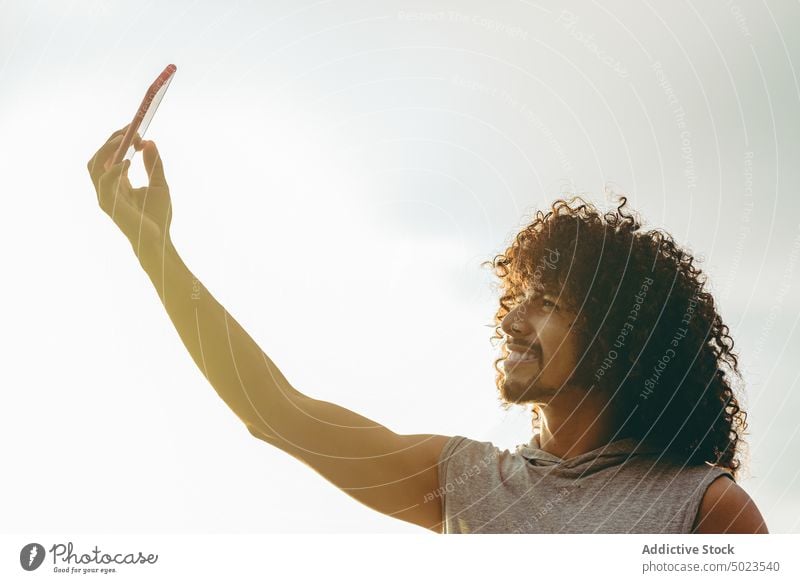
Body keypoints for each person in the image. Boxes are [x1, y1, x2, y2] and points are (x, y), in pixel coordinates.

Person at [87, 127, 768, 534]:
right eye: (515, 297)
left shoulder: (704, 508)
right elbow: (274, 410)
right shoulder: (465, 481)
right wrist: (156, 248)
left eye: (549, 299)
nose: (512, 316)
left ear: (625, 332)